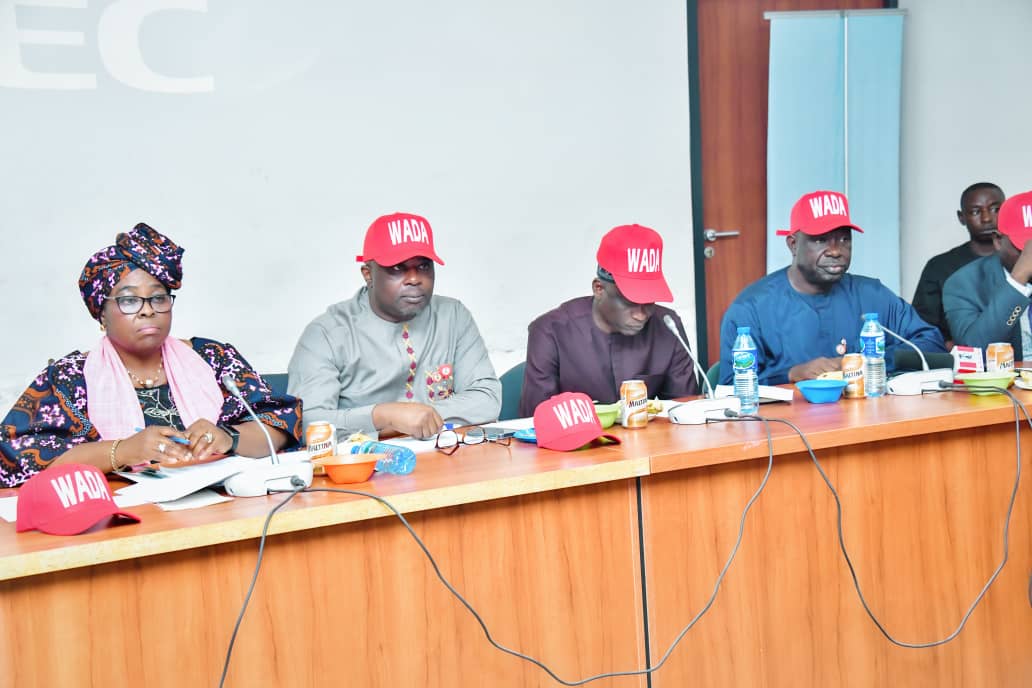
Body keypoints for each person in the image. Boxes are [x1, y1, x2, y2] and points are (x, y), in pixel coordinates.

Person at [0, 224, 303, 488]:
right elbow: (23, 466)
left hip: (222, 508)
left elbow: (281, 429)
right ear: (101, 314)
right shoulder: (69, 379)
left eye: (158, 297)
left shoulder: (213, 358)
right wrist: (123, 451)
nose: (147, 309)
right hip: (119, 523)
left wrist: (228, 438)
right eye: (129, 300)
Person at [288, 212, 500, 440]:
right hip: (365, 468)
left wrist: (418, 418)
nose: (414, 279)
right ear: (368, 274)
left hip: (445, 457)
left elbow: (487, 400)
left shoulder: (453, 316)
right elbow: (305, 423)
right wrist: (383, 416)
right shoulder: (327, 334)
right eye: (397, 268)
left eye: (424, 266)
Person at [720, 190, 945, 385]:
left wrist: (868, 362)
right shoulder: (751, 308)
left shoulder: (873, 295)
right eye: (821, 240)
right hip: (791, 427)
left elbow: (931, 345)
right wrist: (790, 374)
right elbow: (730, 387)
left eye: (844, 240)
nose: (836, 251)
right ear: (793, 244)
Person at [520, 224, 699, 416]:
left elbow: (685, 411)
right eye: (630, 302)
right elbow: (536, 421)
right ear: (599, 289)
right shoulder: (551, 331)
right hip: (575, 445)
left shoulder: (667, 325)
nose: (641, 314)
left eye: (649, 301)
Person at [912, 182, 1005, 345]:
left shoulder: (1021, 259)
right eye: (976, 211)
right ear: (961, 217)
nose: (986, 218)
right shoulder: (939, 266)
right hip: (961, 362)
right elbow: (922, 326)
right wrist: (950, 348)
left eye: (995, 209)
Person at [942, 190, 1032, 358]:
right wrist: (1018, 281)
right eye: (1024, 248)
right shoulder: (964, 283)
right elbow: (976, 352)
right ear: (998, 241)